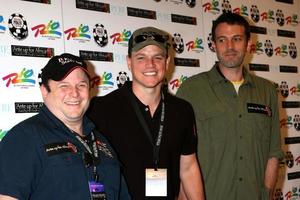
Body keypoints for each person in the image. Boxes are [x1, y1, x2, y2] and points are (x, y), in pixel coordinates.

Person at [88, 27, 205, 200]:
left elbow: (188, 168)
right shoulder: (101, 109)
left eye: (157, 57)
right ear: (129, 62)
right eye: (141, 57)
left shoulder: (182, 110)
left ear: (167, 62)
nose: (150, 65)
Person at [176, 13, 283, 200]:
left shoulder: (267, 92)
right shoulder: (191, 90)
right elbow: (179, 158)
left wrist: (266, 195)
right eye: (222, 40)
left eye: (237, 39)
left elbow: (273, 154)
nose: (230, 47)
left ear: (249, 44)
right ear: (214, 45)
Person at [0, 53, 131, 200]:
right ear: (44, 91)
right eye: (64, 86)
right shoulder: (24, 138)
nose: (74, 93)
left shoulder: (101, 141)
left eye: (81, 85)